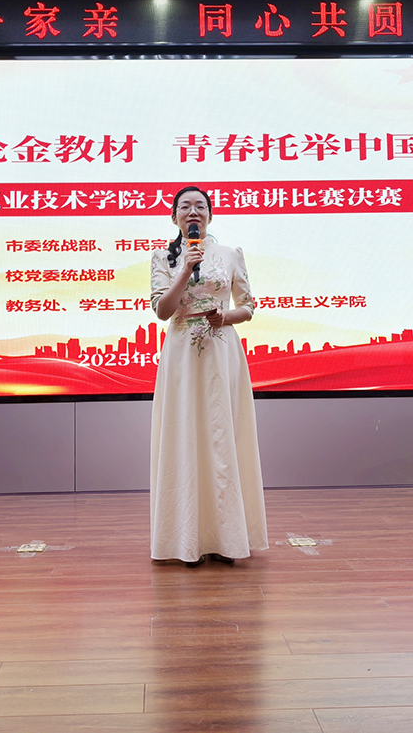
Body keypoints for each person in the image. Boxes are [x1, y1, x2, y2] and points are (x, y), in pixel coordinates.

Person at [149, 185, 268, 566]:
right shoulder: (162, 257)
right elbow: (162, 311)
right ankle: (187, 541)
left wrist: (225, 316)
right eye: (185, 206)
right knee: (185, 436)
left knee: (220, 437)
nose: (193, 212)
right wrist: (185, 268)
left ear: (210, 215)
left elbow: (248, 306)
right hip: (182, 358)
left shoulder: (231, 254)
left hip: (220, 352)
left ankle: (226, 539)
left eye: (200, 206)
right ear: (174, 217)